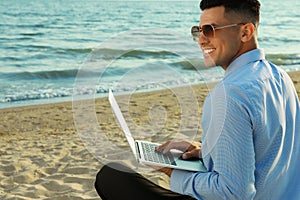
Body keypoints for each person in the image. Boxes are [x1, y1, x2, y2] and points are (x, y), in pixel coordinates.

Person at [94, 0, 300, 199]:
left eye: (210, 30)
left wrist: (172, 171)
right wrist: (206, 151)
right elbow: (268, 148)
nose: (201, 40)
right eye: (198, 31)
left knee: (111, 177)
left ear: (245, 32)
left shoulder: (230, 94)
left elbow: (233, 193)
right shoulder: (281, 77)